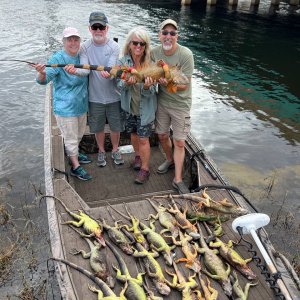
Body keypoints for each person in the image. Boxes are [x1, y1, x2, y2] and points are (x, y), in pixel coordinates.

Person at [34, 27, 92, 181]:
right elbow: (43, 81)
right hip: (65, 108)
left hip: (81, 105)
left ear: (79, 41)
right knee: (71, 137)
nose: (73, 42)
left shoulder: (82, 56)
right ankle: (75, 166)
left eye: (76, 39)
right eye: (69, 39)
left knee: (79, 134)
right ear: (64, 42)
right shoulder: (57, 59)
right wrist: (41, 72)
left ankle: (75, 153)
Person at [72, 11, 124, 167]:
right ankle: (101, 151)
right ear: (90, 29)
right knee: (97, 126)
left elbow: (111, 66)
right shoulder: (84, 48)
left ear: (106, 28)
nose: (98, 30)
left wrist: (109, 73)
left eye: (101, 27)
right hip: (94, 97)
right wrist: (74, 70)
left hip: (114, 95)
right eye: (95, 27)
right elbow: (85, 69)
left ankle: (115, 149)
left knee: (116, 126)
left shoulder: (114, 46)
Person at [151, 19, 194, 194]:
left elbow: (184, 85)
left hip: (180, 104)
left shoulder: (186, 54)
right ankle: (169, 159)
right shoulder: (154, 53)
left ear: (177, 36)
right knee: (161, 135)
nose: (168, 36)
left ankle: (178, 179)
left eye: (172, 33)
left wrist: (167, 80)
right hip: (162, 101)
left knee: (180, 141)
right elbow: (150, 74)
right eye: (165, 32)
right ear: (159, 35)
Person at [117, 27, 157, 184]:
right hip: (129, 108)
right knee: (133, 134)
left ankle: (145, 169)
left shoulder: (151, 64)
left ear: (146, 46)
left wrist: (147, 86)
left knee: (143, 139)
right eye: (135, 43)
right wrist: (127, 83)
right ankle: (138, 157)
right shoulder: (122, 62)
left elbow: (153, 91)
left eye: (142, 43)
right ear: (129, 44)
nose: (138, 46)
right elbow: (119, 84)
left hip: (145, 110)